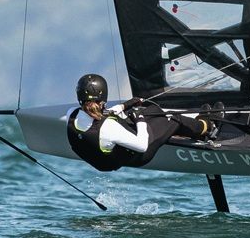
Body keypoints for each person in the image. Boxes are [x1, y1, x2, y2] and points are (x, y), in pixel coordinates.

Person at [65, 73, 217, 172]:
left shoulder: (71, 114)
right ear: (103, 97)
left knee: (151, 110)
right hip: (139, 156)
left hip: (106, 160)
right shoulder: (108, 128)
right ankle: (207, 126)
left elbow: (96, 115)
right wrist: (140, 120)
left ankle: (173, 131)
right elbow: (142, 145)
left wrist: (125, 106)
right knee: (172, 118)